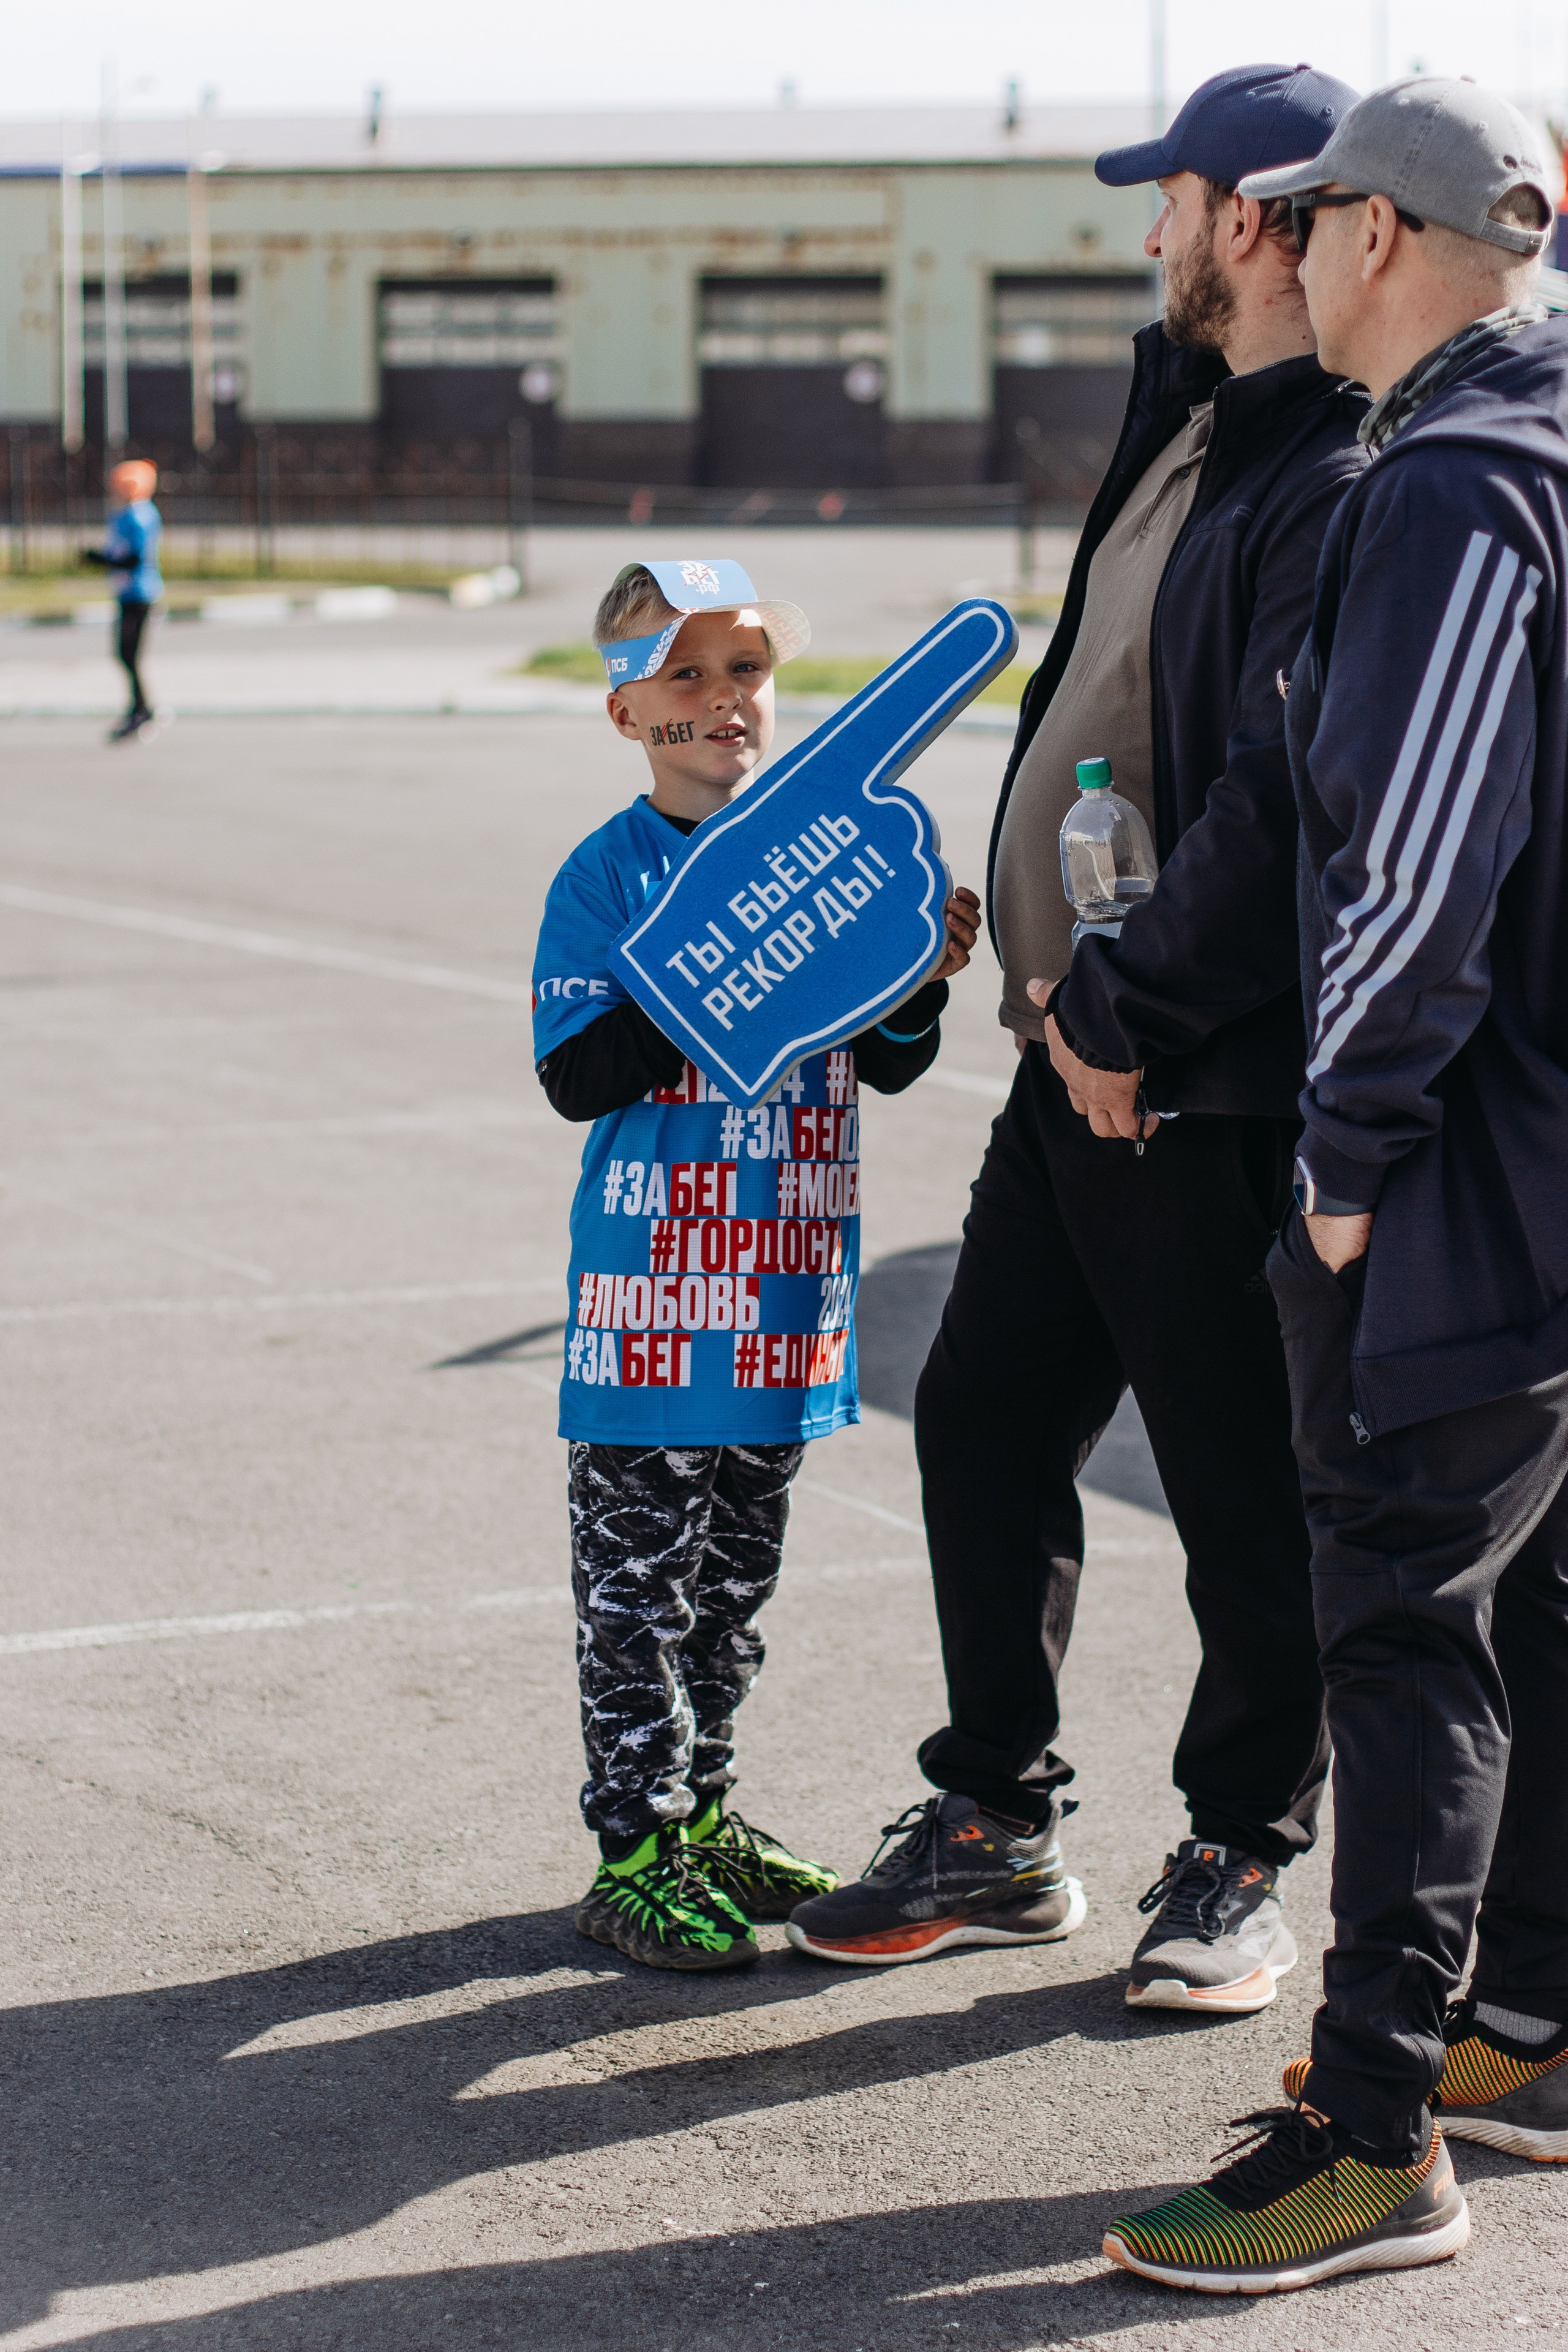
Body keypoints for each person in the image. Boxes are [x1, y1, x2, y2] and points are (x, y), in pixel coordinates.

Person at [788, 64, 1367, 2007]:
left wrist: (1125, 1006)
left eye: (1175, 197)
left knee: (1231, 1485)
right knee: (977, 1418)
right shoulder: (1187, 418)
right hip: (1073, 1056)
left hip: (1191, 1072)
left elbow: (1276, 790)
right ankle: (996, 1816)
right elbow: (1101, 705)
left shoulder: (1333, 467)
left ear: (1260, 217)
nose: (1150, 231)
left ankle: (1237, 1851)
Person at [1106, 78, 1568, 2293]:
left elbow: (1405, 851)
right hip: (1523, 1164)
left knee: (1397, 1616)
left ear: (1372, 234)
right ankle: (1534, 2022)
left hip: (1463, 1174)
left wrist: (1349, 1154)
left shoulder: (1463, 485)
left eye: (1308, 221)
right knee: (1514, 1600)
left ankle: (1371, 2133)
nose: (1284, 252)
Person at [533, 556, 982, 1971]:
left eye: (745, 670)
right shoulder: (606, 872)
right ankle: (632, 1849)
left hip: (789, 1292)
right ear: (627, 714)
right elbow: (576, 1068)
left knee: (730, 1591)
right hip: (654, 1304)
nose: (725, 699)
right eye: (687, 675)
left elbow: (887, 1066)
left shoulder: (829, 864)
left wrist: (908, 976)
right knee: (635, 1593)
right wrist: (718, 957)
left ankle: (704, 1812)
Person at [82, 459, 163, 742]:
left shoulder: (139, 516)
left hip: (140, 593)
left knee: (128, 653)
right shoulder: (122, 515)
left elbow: (134, 557)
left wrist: (102, 560)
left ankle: (141, 709)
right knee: (125, 654)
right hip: (126, 592)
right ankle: (139, 708)